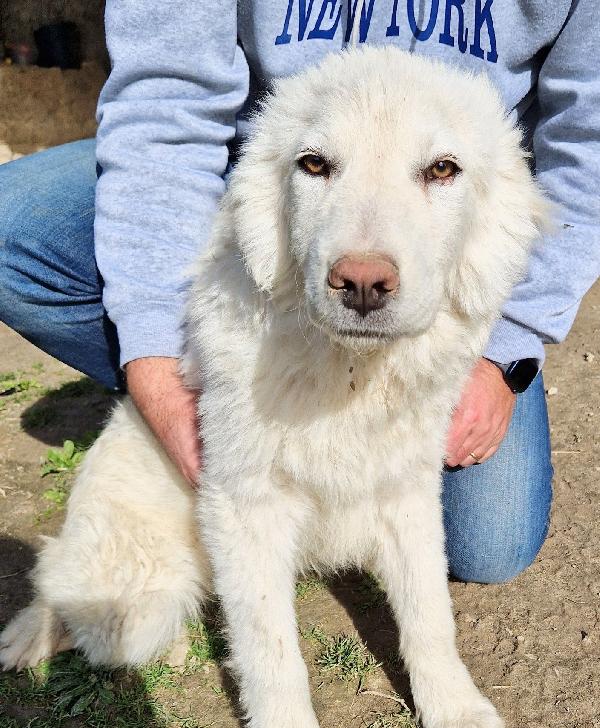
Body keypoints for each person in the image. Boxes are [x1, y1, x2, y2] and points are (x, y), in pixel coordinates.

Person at [1, 1, 598, 583]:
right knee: (12, 227)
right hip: (272, 180)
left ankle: (348, 412)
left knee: (489, 542)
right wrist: (160, 363)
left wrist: (505, 352)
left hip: (449, 213)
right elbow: (167, 105)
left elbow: (586, 148)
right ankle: (247, 392)